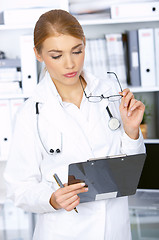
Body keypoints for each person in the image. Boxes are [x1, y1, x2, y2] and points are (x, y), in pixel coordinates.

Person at [4, 9, 145, 240]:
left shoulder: (111, 93)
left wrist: (131, 131)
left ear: (84, 44)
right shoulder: (30, 113)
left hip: (114, 229)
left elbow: (130, 169)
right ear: (38, 54)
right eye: (56, 56)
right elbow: (18, 187)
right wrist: (51, 199)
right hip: (63, 231)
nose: (70, 64)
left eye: (77, 51)